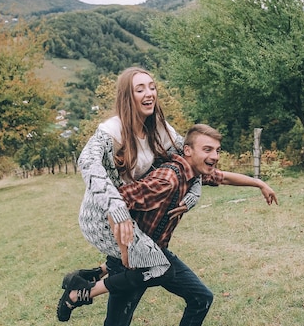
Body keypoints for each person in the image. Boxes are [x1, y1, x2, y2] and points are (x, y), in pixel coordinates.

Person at [58, 124, 278, 324]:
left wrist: (259, 184)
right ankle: (79, 292)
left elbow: (223, 177)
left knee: (200, 297)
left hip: (157, 250)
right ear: (188, 151)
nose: (215, 156)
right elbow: (116, 201)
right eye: (208, 149)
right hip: (137, 258)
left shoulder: (193, 174)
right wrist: (125, 253)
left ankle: (99, 272)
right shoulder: (167, 180)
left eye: (217, 150)